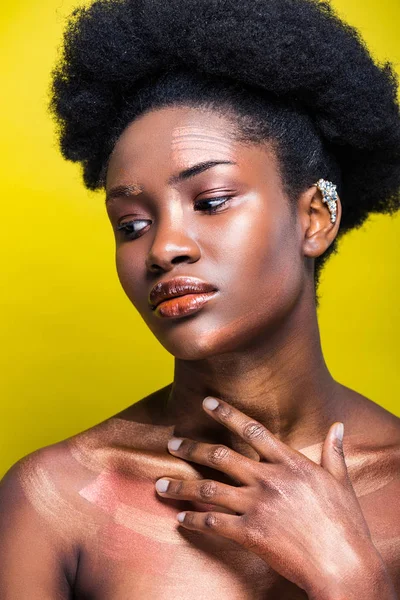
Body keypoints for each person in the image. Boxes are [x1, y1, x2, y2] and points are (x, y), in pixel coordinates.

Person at [0, 0, 399, 597]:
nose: (164, 248)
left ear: (315, 218)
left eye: (210, 202)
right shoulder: (60, 498)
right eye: (131, 224)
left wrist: (353, 581)